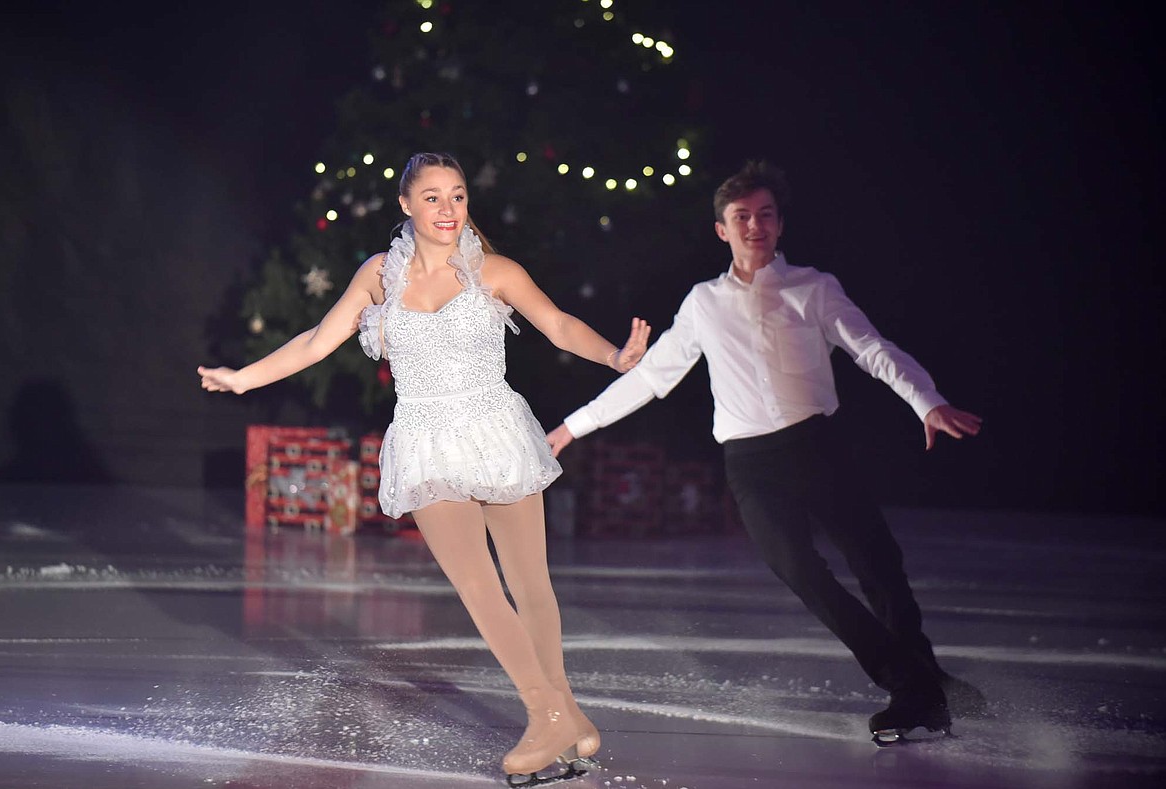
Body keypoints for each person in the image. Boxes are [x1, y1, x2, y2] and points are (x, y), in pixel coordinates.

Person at [199, 152, 651, 781]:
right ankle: (548, 715)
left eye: (459, 196)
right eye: (433, 197)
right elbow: (314, 341)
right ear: (407, 205)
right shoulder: (378, 275)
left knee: (531, 584)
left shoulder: (494, 270)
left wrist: (613, 356)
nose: (448, 209)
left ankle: (566, 717)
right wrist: (243, 379)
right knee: (477, 586)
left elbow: (558, 324)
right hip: (427, 441)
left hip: (496, 432)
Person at [545, 160, 986, 745]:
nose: (755, 225)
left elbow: (873, 351)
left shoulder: (814, 288)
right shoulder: (704, 303)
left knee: (879, 566)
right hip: (752, 463)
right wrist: (571, 428)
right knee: (798, 568)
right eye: (741, 217)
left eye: (765, 215)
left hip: (817, 446)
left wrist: (924, 401)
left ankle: (921, 685)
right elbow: (651, 378)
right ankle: (914, 681)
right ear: (722, 230)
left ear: (779, 225)